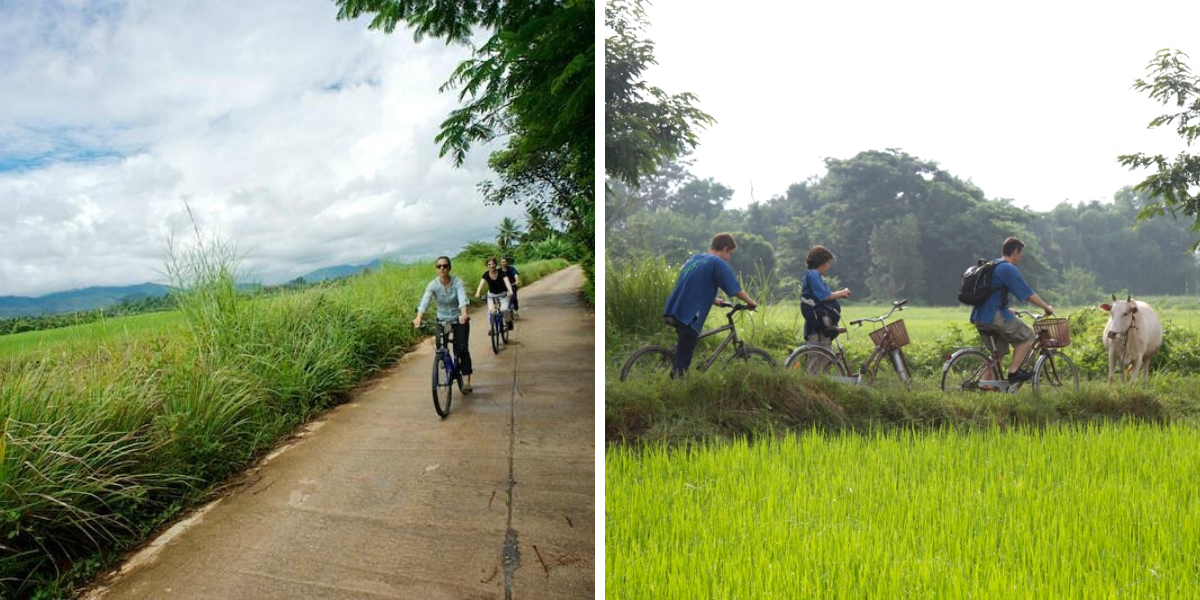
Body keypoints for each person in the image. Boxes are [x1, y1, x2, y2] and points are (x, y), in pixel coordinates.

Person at [662, 233, 758, 378]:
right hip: (689, 314)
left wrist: (713, 300)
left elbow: (693, 285)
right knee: (682, 365)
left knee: (683, 349)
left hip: (673, 308)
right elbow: (735, 288)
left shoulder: (695, 259)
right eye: (730, 253)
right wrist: (751, 302)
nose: (729, 257)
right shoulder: (717, 262)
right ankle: (674, 389)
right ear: (725, 249)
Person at [970, 237, 1055, 384]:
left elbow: (991, 293)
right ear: (1015, 251)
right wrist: (1046, 307)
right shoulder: (1008, 268)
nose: (1020, 257)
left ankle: (982, 385)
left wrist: (1007, 309)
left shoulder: (994, 265)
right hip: (993, 316)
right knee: (1028, 335)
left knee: (998, 355)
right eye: (1020, 253)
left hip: (980, 315)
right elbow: (1027, 293)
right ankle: (1014, 372)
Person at [413, 256, 473, 392]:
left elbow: (462, 299)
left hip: (458, 319)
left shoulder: (457, 282)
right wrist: (418, 318)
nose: (442, 268)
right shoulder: (433, 285)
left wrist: (464, 314)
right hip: (442, 320)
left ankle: (467, 380)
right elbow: (425, 302)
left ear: (449, 268)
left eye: (445, 266)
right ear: (436, 269)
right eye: (439, 266)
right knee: (440, 348)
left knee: (462, 348)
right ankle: (444, 361)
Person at [800, 245, 852, 347]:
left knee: (823, 359)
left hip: (814, 329)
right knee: (819, 360)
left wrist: (839, 294)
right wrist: (841, 293)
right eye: (827, 262)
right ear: (821, 262)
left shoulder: (808, 274)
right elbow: (824, 296)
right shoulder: (814, 274)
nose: (829, 266)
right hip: (817, 332)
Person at [475, 256, 515, 332]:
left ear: (496, 265)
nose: (491, 266)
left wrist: (510, 291)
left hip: (503, 295)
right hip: (491, 296)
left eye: (493, 264)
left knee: (504, 309)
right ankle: (492, 329)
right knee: (491, 311)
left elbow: (507, 283)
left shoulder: (501, 273)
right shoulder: (486, 274)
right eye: (489, 264)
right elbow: (481, 284)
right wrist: (478, 292)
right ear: (487, 266)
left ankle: (509, 322)